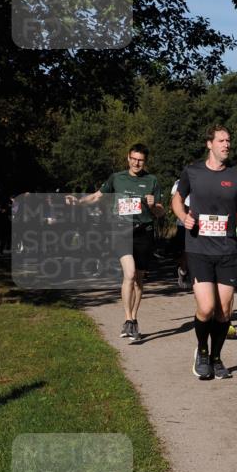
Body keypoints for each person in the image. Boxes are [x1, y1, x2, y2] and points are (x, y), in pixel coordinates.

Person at [172, 125, 237, 381]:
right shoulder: (192, 172)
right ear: (209, 144)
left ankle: (216, 358)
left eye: (229, 140)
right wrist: (182, 216)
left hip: (228, 249)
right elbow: (177, 199)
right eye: (221, 140)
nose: (226, 144)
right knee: (207, 307)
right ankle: (201, 351)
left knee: (224, 312)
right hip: (198, 248)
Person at [74, 144, 164, 341]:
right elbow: (98, 195)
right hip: (121, 231)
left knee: (139, 279)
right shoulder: (117, 178)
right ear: (128, 158)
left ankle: (134, 319)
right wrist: (79, 201)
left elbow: (160, 211)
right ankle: (128, 319)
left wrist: (152, 205)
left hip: (144, 233)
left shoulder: (152, 180)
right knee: (129, 273)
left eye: (140, 160)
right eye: (133, 158)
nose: (136, 162)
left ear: (145, 161)